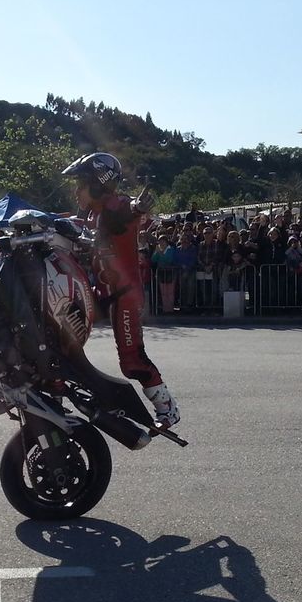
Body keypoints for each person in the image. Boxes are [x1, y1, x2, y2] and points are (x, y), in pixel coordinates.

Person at [62, 152, 179, 427]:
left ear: (97, 184)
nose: (75, 191)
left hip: (124, 296)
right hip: (102, 292)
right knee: (62, 328)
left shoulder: (118, 205)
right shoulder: (92, 214)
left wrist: (138, 207)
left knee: (131, 362)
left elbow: (128, 212)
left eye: (80, 184)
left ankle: (167, 408)